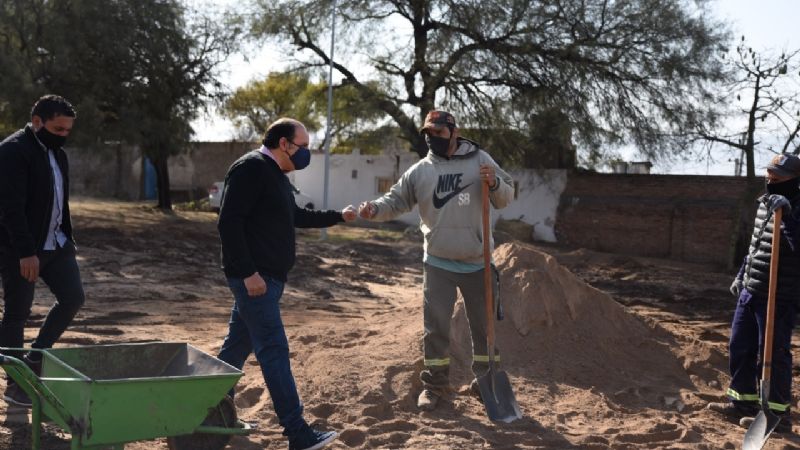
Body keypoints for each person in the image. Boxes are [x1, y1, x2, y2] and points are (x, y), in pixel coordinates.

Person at [357, 110, 514, 411]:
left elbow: (506, 197)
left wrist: (494, 182)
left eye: (438, 133)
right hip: (438, 262)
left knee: (484, 329)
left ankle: (485, 382)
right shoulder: (421, 171)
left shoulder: (480, 159)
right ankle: (436, 387)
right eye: (428, 133)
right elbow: (396, 199)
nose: (432, 139)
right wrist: (374, 210)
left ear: (454, 133)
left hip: (477, 261)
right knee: (436, 328)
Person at [216, 118, 356, 450]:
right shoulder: (250, 168)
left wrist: (338, 216)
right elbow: (228, 223)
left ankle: (211, 417)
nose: (307, 152)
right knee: (274, 351)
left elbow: (294, 216)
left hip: (267, 282)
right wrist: (248, 273)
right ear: (284, 143)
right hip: (255, 282)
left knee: (234, 350)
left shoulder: (276, 175)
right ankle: (297, 433)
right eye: (304, 146)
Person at [0, 95, 85, 407]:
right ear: (37, 122)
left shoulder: (58, 154)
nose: (63, 135)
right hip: (21, 251)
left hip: (57, 246)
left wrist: (67, 237)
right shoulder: (12, 151)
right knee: (16, 314)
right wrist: (25, 252)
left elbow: (59, 200)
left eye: (67, 131)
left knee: (73, 297)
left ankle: (35, 356)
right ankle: (15, 383)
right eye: (58, 129)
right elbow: (10, 208)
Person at [708, 153, 800, 433]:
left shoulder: (795, 208)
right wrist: (741, 275)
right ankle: (742, 402)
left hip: (781, 295)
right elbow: (755, 247)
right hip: (752, 289)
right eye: (768, 176)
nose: (770, 182)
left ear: (795, 182)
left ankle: (777, 415)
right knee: (740, 345)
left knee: (773, 353)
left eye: (778, 178)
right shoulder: (765, 205)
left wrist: (789, 217)